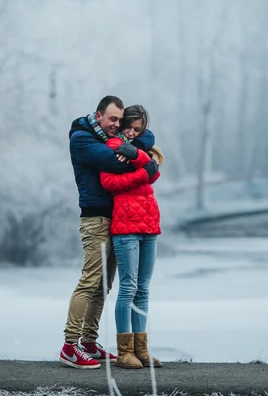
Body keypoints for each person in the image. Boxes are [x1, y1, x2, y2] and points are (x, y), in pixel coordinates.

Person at [60, 96, 156, 369]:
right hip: (95, 219)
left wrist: (136, 148)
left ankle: (89, 342)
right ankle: (69, 346)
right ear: (99, 115)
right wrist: (143, 161)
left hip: (115, 221)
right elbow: (113, 162)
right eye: (112, 119)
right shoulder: (82, 139)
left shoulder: (109, 136)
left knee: (104, 286)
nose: (117, 125)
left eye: (120, 120)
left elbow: (146, 134)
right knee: (89, 283)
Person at [100, 105, 164, 369]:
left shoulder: (139, 150)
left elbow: (155, 172)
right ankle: (124, 351)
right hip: (126, 224)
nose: (131, 132)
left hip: (149, 222)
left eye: (137, 129)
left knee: (144, 288)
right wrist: (142, 172)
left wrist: (139, 160)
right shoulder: (113, 146)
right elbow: (109, 183)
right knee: (128, 287)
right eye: (128, 126)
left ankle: (141, 349)